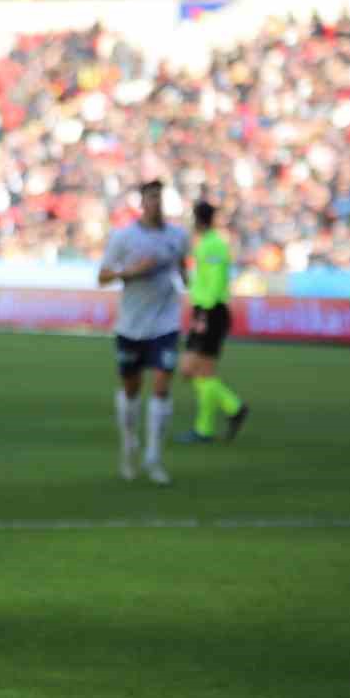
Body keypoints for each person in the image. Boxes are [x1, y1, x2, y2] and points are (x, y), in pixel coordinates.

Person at [98, 180, 188, 484]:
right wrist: (132, 271)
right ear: (142, 203)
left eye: (161, 198)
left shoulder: (178, 236)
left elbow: (183, 271)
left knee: (162, 386)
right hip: (131, 325)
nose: (157, 203)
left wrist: (184, 279)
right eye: (152, 198)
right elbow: (102, 276)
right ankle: (128, 446)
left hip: (166, 323)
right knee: (132, 389)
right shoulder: (124, 237)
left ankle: (154, 457)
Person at [176, 201, 248, 444]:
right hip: (205, 309)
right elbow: (202, 280)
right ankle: (227, 411)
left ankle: (223, 414)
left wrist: (204, 314)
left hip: (211, 311)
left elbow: (216, 282)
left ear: (198, 219)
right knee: (201, 371)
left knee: (190, 369)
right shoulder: (206, 244)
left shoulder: (214, 244)